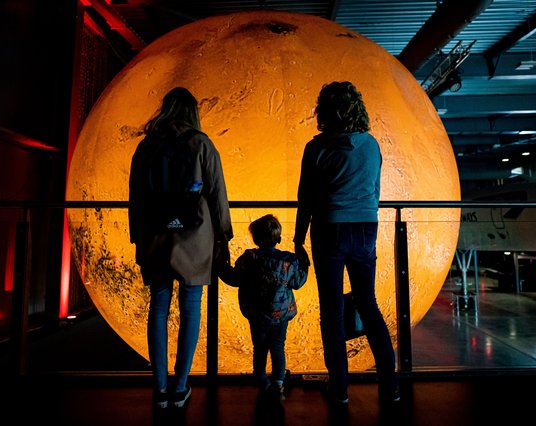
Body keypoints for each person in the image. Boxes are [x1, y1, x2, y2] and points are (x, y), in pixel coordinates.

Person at [292, 81, 399, 406]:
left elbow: (306, 199)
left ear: (323, 112)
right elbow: (376, 189)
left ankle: (339, 388)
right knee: (368, 304)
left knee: (332, 310)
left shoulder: (317, 148)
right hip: (365, 226)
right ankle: (390, 386)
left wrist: (298, 239)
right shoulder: (371, 145)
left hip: (328, 229)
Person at [128, 87, 233, 409]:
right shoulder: (201, 144)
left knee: (158, 308)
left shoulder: (147, 147)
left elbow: (136, 195)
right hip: (195, 237)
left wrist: (137, 237)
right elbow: (216, 194)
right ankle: (181, 384)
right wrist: (223, 237)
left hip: (156, 236)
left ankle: (159, 387)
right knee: (191, 309)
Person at [219, 214, 308, 401]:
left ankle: (262, 382)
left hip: (256, 314)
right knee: (278, 346)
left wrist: (220, 264)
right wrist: (304, 263)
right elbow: (298, 282)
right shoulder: (288, 261)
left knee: (259, 348)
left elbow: (233, 278)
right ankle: (278, 384)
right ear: (279, 238)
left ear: (256, 239)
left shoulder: (249, 259)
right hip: (281, 315)